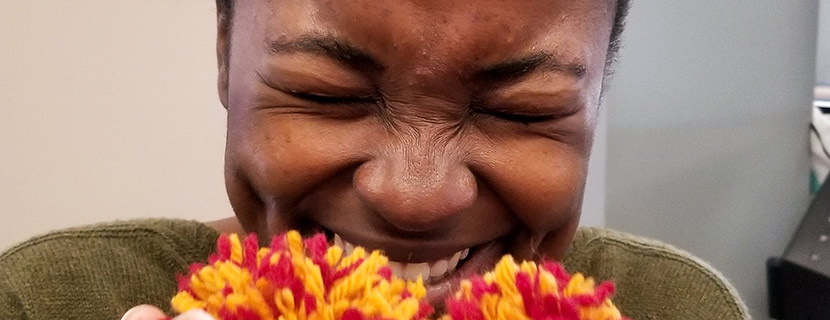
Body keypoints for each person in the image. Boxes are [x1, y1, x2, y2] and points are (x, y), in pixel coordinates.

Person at [0, 0, 749, 319]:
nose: (415, 196)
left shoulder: (670, 305)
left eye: (522, 110)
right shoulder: (50, 301)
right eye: (325, 95)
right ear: (227, 56)